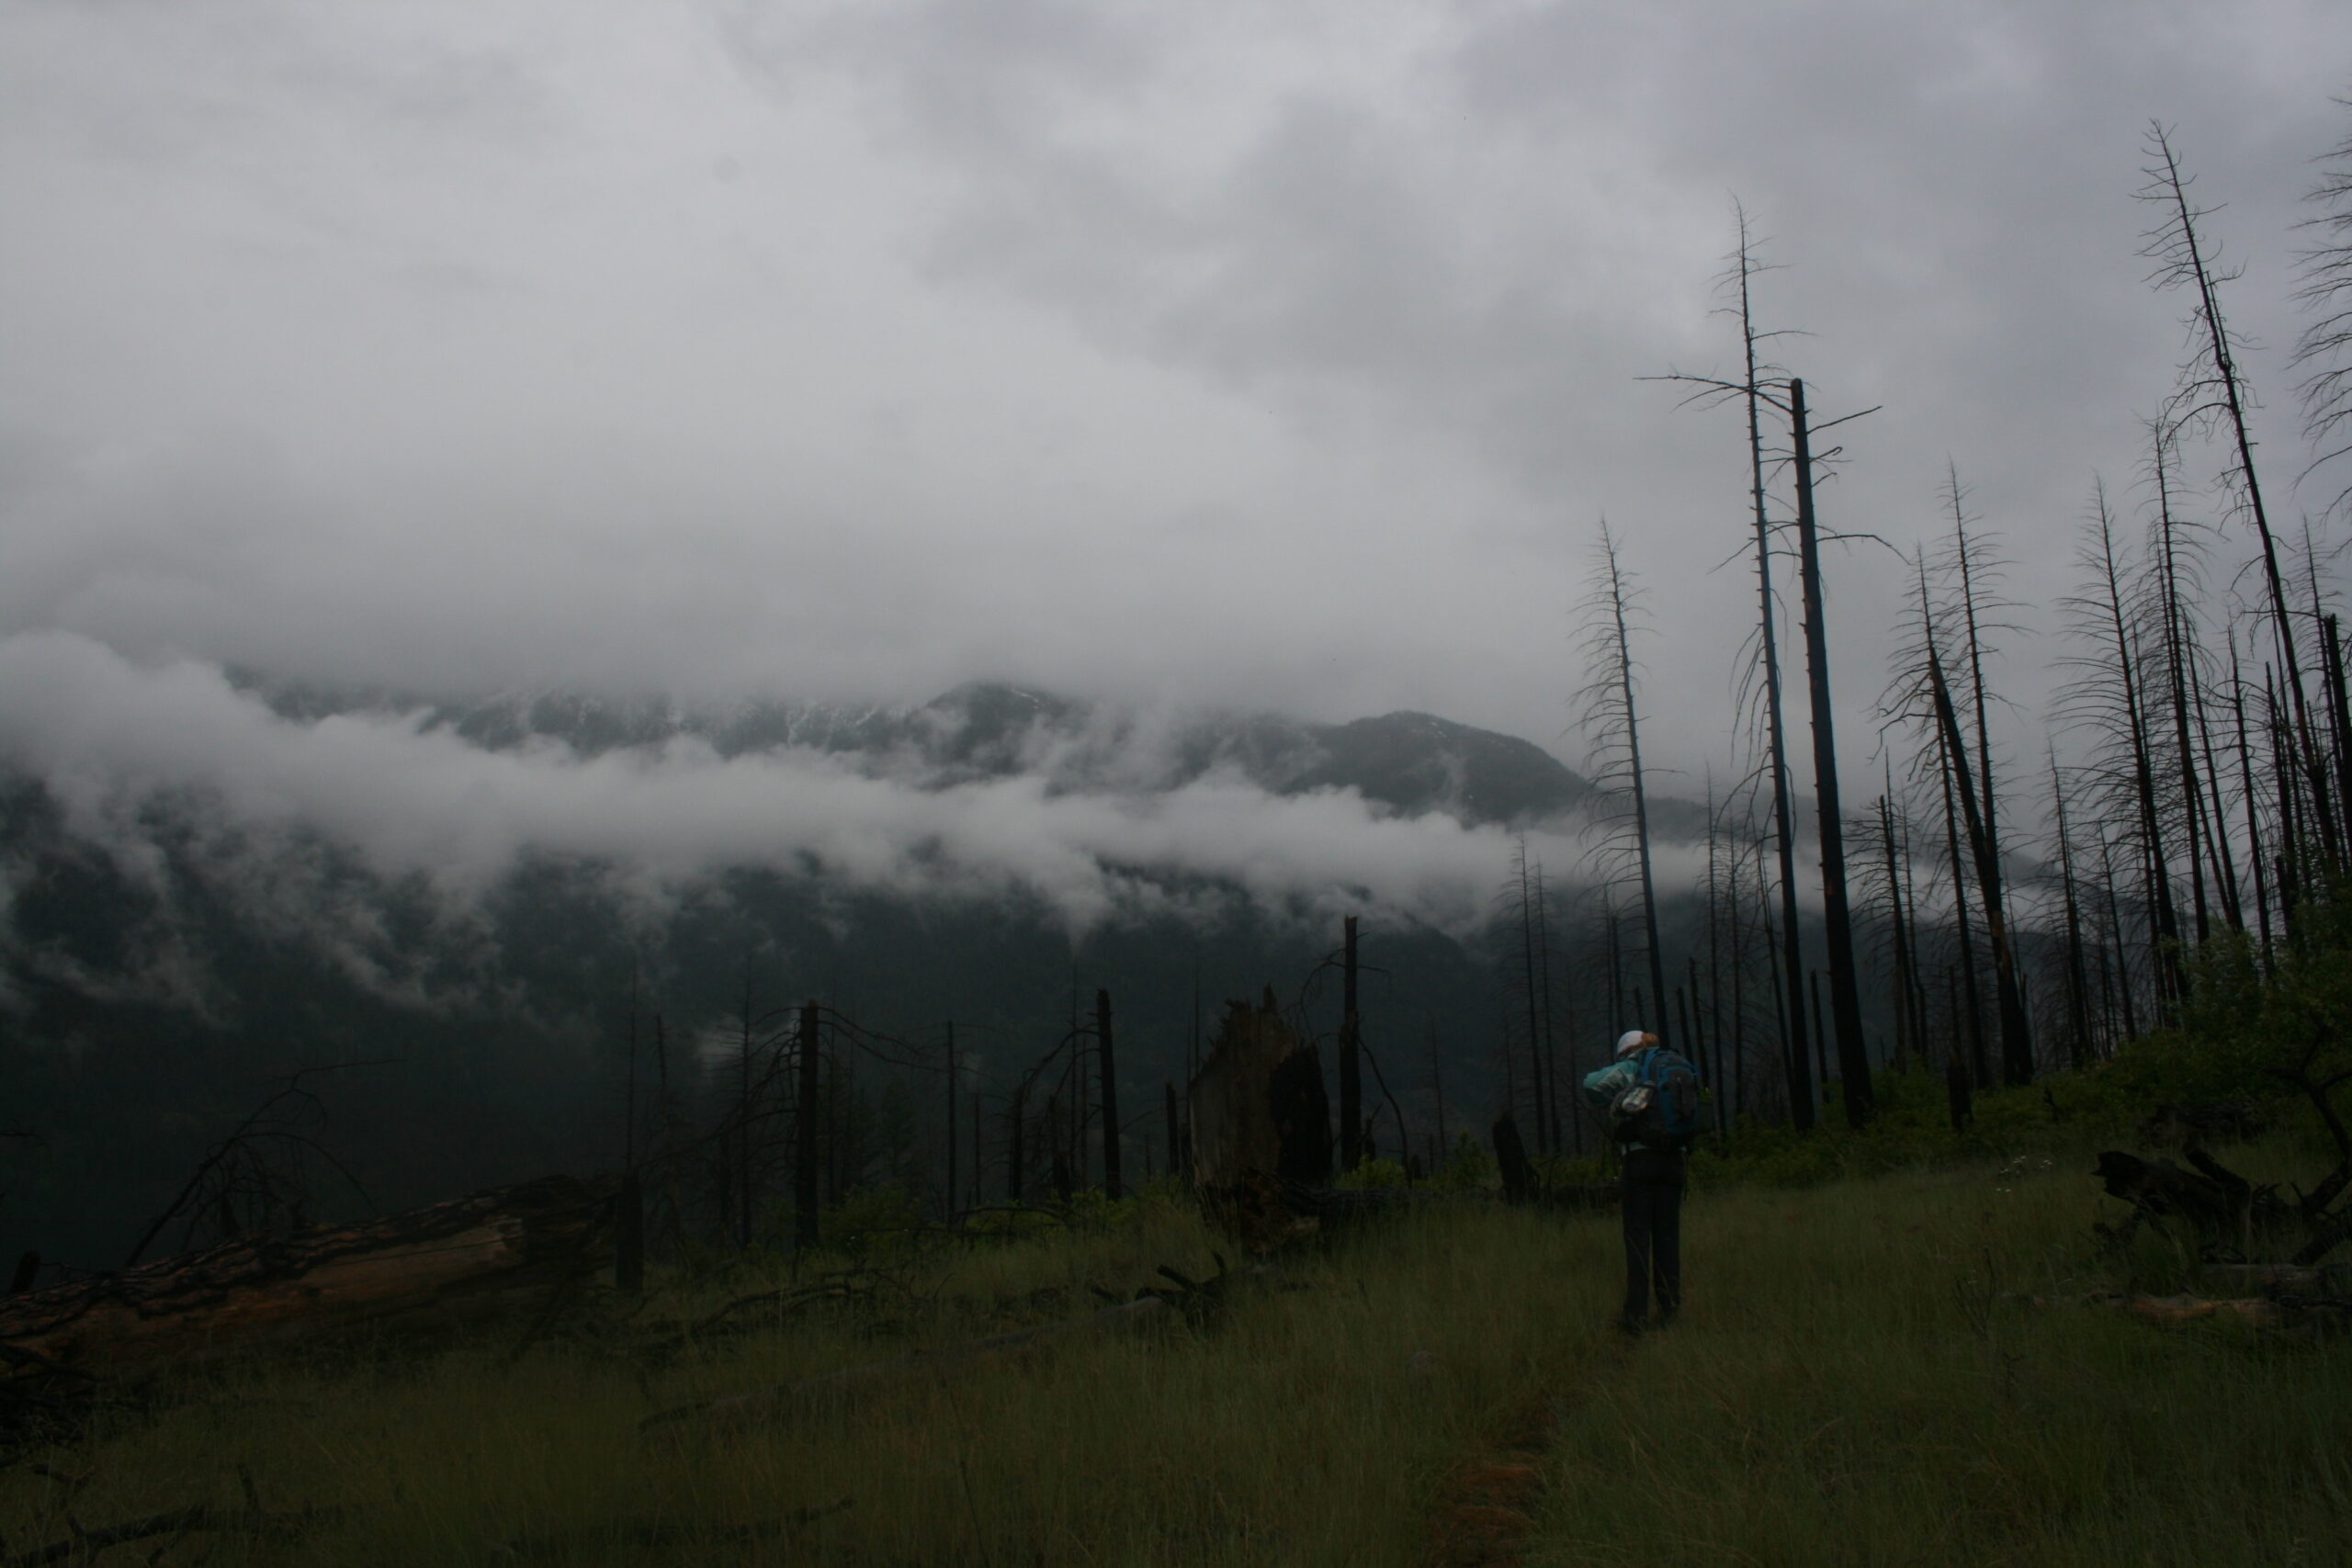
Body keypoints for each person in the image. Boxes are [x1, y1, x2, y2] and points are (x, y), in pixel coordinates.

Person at [1582, 1029, 1691, 1336]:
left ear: (1626, 1050)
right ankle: (1669, 1312)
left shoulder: (1633, 1066)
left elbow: (1591, 1085)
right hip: (1674, 1162)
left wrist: (1617, 1098)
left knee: (1638, 1240)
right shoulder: (1673, 1065)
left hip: (1640, 1162)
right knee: (1668, 1239)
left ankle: (1636, 1317)